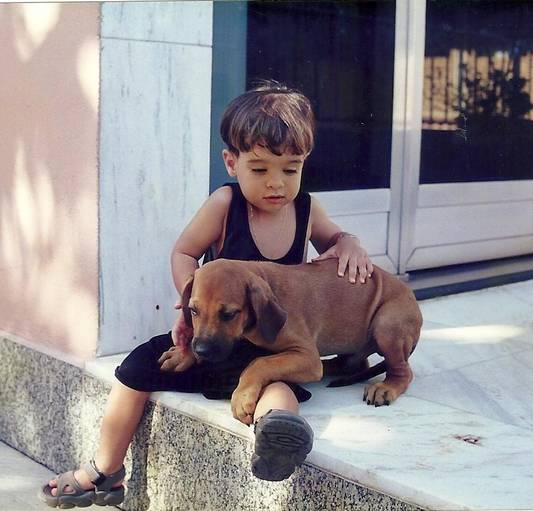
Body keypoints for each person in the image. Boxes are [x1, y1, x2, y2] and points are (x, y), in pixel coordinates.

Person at [39, 80, 373, 508]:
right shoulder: (225, 204)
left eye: (290, 169)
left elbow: (334, 242)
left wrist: (348, 242)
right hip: (208, 339)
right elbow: (184, 251)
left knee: (280, 383)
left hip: (267, 343)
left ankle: (280, 436)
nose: (277, 183)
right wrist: (190, 305)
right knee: (136, 370)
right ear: (231, 163)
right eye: (260, 169)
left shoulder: (306, 209)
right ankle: (106, 469)